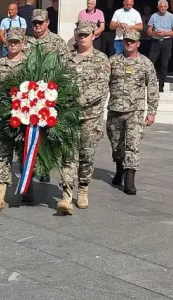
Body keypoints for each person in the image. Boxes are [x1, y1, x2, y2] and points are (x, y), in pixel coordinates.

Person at [57, 20, 110, 215]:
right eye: (80, 35)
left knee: (86, 156)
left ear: (93, 36)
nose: (82, 38)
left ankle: (83, 188)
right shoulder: (67, 59)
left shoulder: (101, 60)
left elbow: (99, 88)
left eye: (86, 35)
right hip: (69, 117)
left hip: (90, 118)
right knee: (68, 156)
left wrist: (75, 100)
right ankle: (66, 195)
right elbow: (58, 82)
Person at [106, 30, 159, 195]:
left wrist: (151, 111)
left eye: (132, 41)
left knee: (133, 145)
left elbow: (152, 88)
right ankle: (119, 167)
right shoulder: (113, 61)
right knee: (116, 145)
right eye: (126, 40)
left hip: (135, 111)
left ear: (138, 43)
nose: (129, 43)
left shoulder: (145, 63)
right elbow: (102, 84)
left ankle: (130, 179)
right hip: (115, 110)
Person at [25, 9, 69, 182]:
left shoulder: (57, 42)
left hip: (50, 95)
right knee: (31, 132)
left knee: (48, 134)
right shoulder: (26, 42)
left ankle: (45, 166)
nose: (37, 26)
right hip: (29, 96)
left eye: (40, 22)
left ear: (47, 23)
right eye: (34, 23)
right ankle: (31, 163)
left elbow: (65, 67)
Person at [0, 27, 28, 210]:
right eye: (10, 42)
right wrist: (14, 91)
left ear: (23, 43)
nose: (12, 45)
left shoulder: (29, 64)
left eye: (16, 42)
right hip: (3, 116)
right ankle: (0, 193)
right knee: (2, 153)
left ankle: (28, 186)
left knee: (24, 153)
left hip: (25, 117)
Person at [147, 0, 173, 92]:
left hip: (167, 41)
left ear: (167, 7)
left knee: (164, 64)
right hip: (156, 41)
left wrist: (165, 33)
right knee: (151, 62)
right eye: (161, 7)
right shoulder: (154, 16)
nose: (163, 8)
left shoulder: (171, 17)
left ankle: (161, 85)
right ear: (158, 7)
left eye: (164, 7)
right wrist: (155, 33)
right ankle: (150, 83)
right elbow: (148, 31)